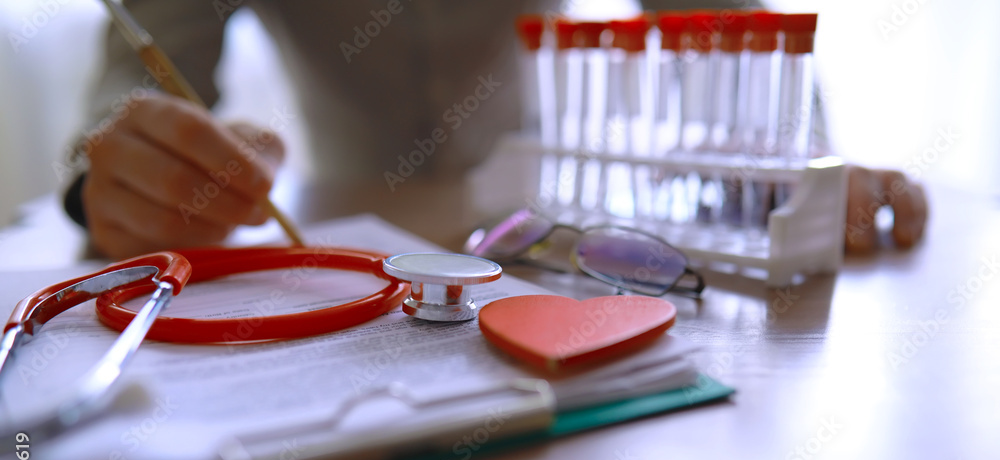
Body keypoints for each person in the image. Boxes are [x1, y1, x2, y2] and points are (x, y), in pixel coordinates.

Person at [63, 0, 927, 259]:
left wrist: (795, 167)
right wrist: (110, 178)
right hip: (351, 257)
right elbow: (133, 83)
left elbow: (729, 25)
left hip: (558, 247)